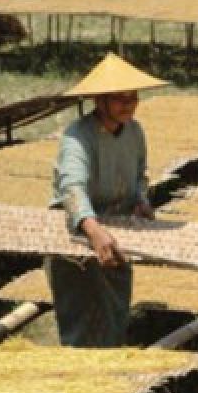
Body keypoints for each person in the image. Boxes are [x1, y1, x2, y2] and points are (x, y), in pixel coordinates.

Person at [46, 53, 169, 347]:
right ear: (100, 101)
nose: (128, 105)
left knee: (114, 315)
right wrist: (93, 229)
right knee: (81, 321)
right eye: (119, 98)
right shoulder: (77, 137)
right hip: (78, 235)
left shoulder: (135, 132)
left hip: (119, 232)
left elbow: (140, 175)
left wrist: (142, 201)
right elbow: (72, 188)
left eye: (133, 97)